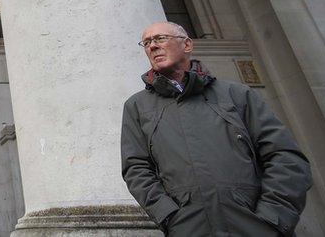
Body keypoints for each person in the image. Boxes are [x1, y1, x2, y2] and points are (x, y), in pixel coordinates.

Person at [121, 21, 312, 236]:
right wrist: (170, 217)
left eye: (160, 39)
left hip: (256, 226)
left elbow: (286, 157)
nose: (152, 46)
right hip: (190, 228)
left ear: (187, 45)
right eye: (146, 42)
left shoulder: (237, 95)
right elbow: (136, 169)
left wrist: (273, 218)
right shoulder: (136, 106)